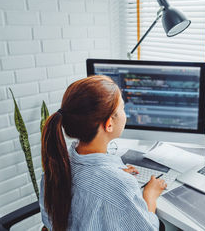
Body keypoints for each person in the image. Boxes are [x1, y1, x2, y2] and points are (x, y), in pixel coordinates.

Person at [40, 75, 167, 231]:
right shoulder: (119, 184)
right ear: (109, 124)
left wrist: (113, 176)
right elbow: (149, 229)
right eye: (122, 108)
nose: (124, 113)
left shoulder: (55, 169)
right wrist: (150, 194)